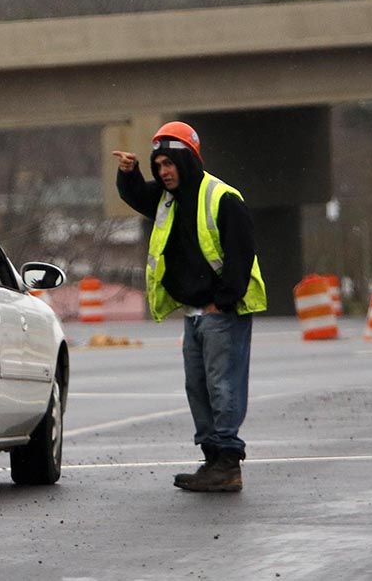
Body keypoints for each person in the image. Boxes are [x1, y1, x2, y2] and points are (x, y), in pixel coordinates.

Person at [112, 121, 266, 493]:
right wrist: (129, 175)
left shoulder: (222, 197)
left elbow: (241, 255)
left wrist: (222, 302)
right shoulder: (168, 198)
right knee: (198, 388)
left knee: (222, 387)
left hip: (222, 313)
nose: (163, 172)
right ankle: (213, 459)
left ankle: (228, 462)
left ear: (187, 161)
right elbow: (138, 198)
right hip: (195, 312)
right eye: (158, 165)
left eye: (169, 164)